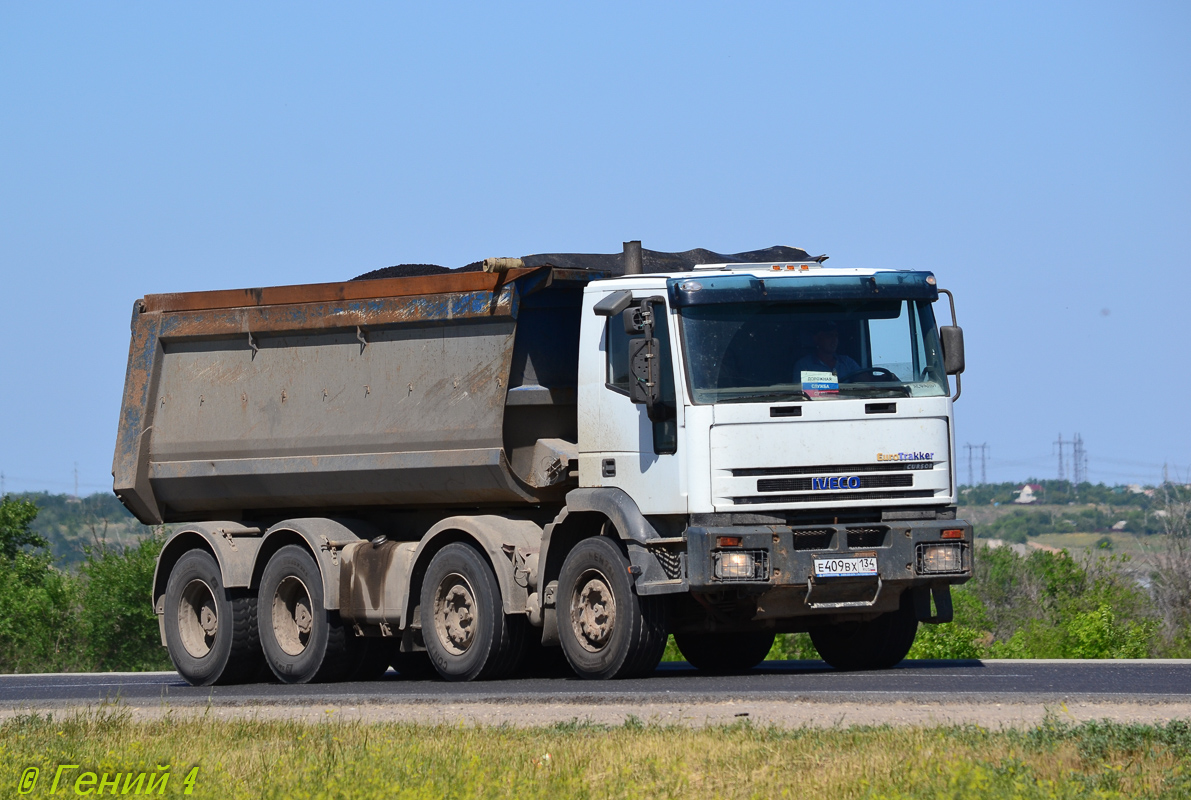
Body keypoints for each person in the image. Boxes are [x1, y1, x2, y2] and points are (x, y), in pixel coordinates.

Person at [794, 321, 861, 379]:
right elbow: (799, 390)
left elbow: (866, 382)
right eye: (829, 336)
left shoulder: (847, 362)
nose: (834, 340)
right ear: (817, 339)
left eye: (836, 336)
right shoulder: (804, 365)